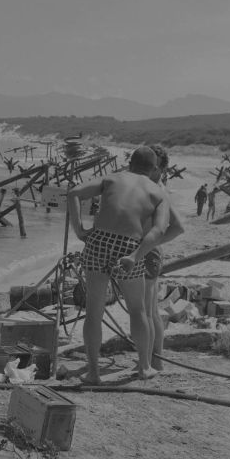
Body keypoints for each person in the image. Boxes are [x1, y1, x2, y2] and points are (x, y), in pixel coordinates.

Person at [68, 146, 169, 384]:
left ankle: (93, 373)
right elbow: (159, 230)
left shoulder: (111, 178)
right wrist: (136, 255)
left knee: (94, 310)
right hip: (129, 244)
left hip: (99, 239)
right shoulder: (158, 192)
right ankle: (144, 367)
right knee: (137, 309)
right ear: (154, 169)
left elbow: (73, 192)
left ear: (129, 163)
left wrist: (79, 230)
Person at [143, 145, 185, 371]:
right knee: (149, 310)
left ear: (160, 169)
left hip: (149, 255)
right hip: (148, 253)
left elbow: (178, 227)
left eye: (152, 165)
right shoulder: (152, 187)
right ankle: (154, 360)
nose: (148, 168)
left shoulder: (158, 190)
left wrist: (148, 244)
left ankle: (153, 361)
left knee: (147, 312)